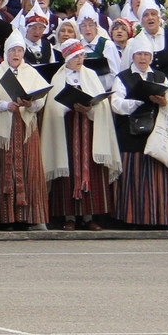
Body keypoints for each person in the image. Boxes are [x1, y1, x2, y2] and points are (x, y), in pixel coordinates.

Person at [41, 39, 119, 231]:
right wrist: (67, 107)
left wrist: (90, 108)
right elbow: (52, 107)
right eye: (76, 56)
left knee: (90, 170)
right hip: (66, 131)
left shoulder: (91, 76)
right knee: (68, 170)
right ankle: (69, 216)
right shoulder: (58, 78)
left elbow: (101, 105)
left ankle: (89, 215)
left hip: (88, 129)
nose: (80, 59)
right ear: (67, 57)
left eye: (82, 55)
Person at [0, 34, 50, 229]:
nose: (16, 54)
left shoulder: (31, 73)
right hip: (2, 131)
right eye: (12, 50)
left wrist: (30, 103)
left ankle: (26, 218)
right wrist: (3, 105)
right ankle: (1, 217)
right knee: (0, 170)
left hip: (25, 129)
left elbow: (41, 99)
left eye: (19, 50)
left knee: (27, 170)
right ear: (6, 53)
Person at [109, 39, 168, 228]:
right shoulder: (122, 77)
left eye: (147, 54)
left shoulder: (159, 76)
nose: (143, 58)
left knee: (158, 176)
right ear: (133, 56)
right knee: (134, 176)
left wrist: (164, 103)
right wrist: (139, 100)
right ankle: (133, 219)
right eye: (139, 54)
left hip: (155, 132)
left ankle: (161, 218)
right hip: (131, 135)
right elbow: (116, 104)